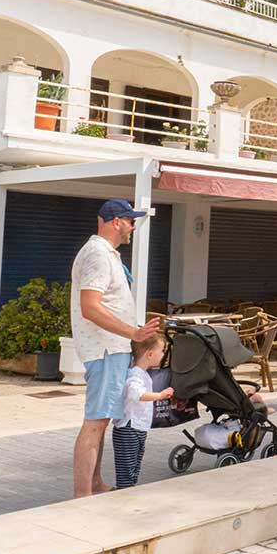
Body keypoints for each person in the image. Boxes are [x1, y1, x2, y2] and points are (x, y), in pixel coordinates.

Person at [71, 199, 161, 498]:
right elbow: (90, 307)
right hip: (106, 351)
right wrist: (133, 333)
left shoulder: (104, 254)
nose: (133, 226)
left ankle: (95, 484)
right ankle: (82, 497)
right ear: (116, 222)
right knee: (95, 424)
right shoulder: (98, 254)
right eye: (131, 220)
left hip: (111, 349)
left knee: (102, 420)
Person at [113, 333, 174, 489]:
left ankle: (128, 492)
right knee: (127, 469)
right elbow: (136, 393)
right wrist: (160, 395)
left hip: (138, 427)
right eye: (162, 351)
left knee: (134, 467)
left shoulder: (142, 374)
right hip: (129, 428)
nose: (163, 355)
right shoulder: (135, 375)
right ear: (150, 354)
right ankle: (124, 495)